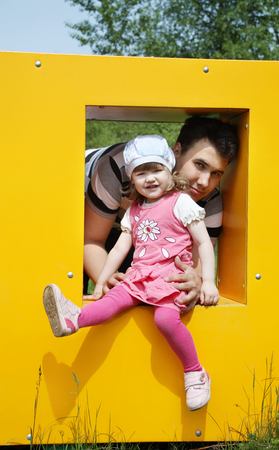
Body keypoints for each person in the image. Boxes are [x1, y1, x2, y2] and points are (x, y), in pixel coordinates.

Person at [43, 135, 219, 411]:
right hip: (139, 276)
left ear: (169, 171)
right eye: (141, 172)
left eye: (157, 169)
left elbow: (204, 243)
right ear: (132, 179)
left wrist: (207, 282)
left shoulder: (181, 202)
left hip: (170, 280)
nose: (150, 178)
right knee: (110, 302)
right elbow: (117, 251)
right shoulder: (134, 210)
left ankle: (195, 373)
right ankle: (73, 319)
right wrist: (100, 283)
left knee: (164, 320)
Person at [84, 116, 239, 310]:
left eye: (216, 173)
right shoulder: (117, 170)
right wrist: (108, 285)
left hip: (146, 233)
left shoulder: (208, 202)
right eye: (200, 165)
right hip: (88, 206)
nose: (204, 182)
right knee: (75, 277)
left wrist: (196, 282)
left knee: (147, 284)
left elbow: (196, 264)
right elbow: (91, 240)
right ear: (176, 151)